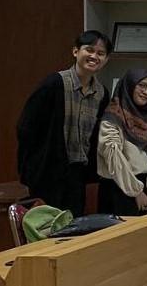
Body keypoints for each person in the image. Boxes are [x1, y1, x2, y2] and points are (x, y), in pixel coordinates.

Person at [16, 30, 111, 216]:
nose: (94, 56)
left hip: (77, 176)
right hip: (47, 173)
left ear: (106, 59)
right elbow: (26, 127)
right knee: (45, 230)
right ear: (76, 51)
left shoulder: (102, 93)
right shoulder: (54, 84)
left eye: (100, 53)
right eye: (89, 50)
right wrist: (32, 169)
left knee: (72, 228)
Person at [95, 69, 147, 215]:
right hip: (118, 188)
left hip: (140, 187)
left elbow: (146, 157)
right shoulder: (113, 115)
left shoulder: (146, 118)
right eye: (141, 85)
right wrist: (135, 191)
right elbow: (112, 156)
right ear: (130, 85)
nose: (146, 92)